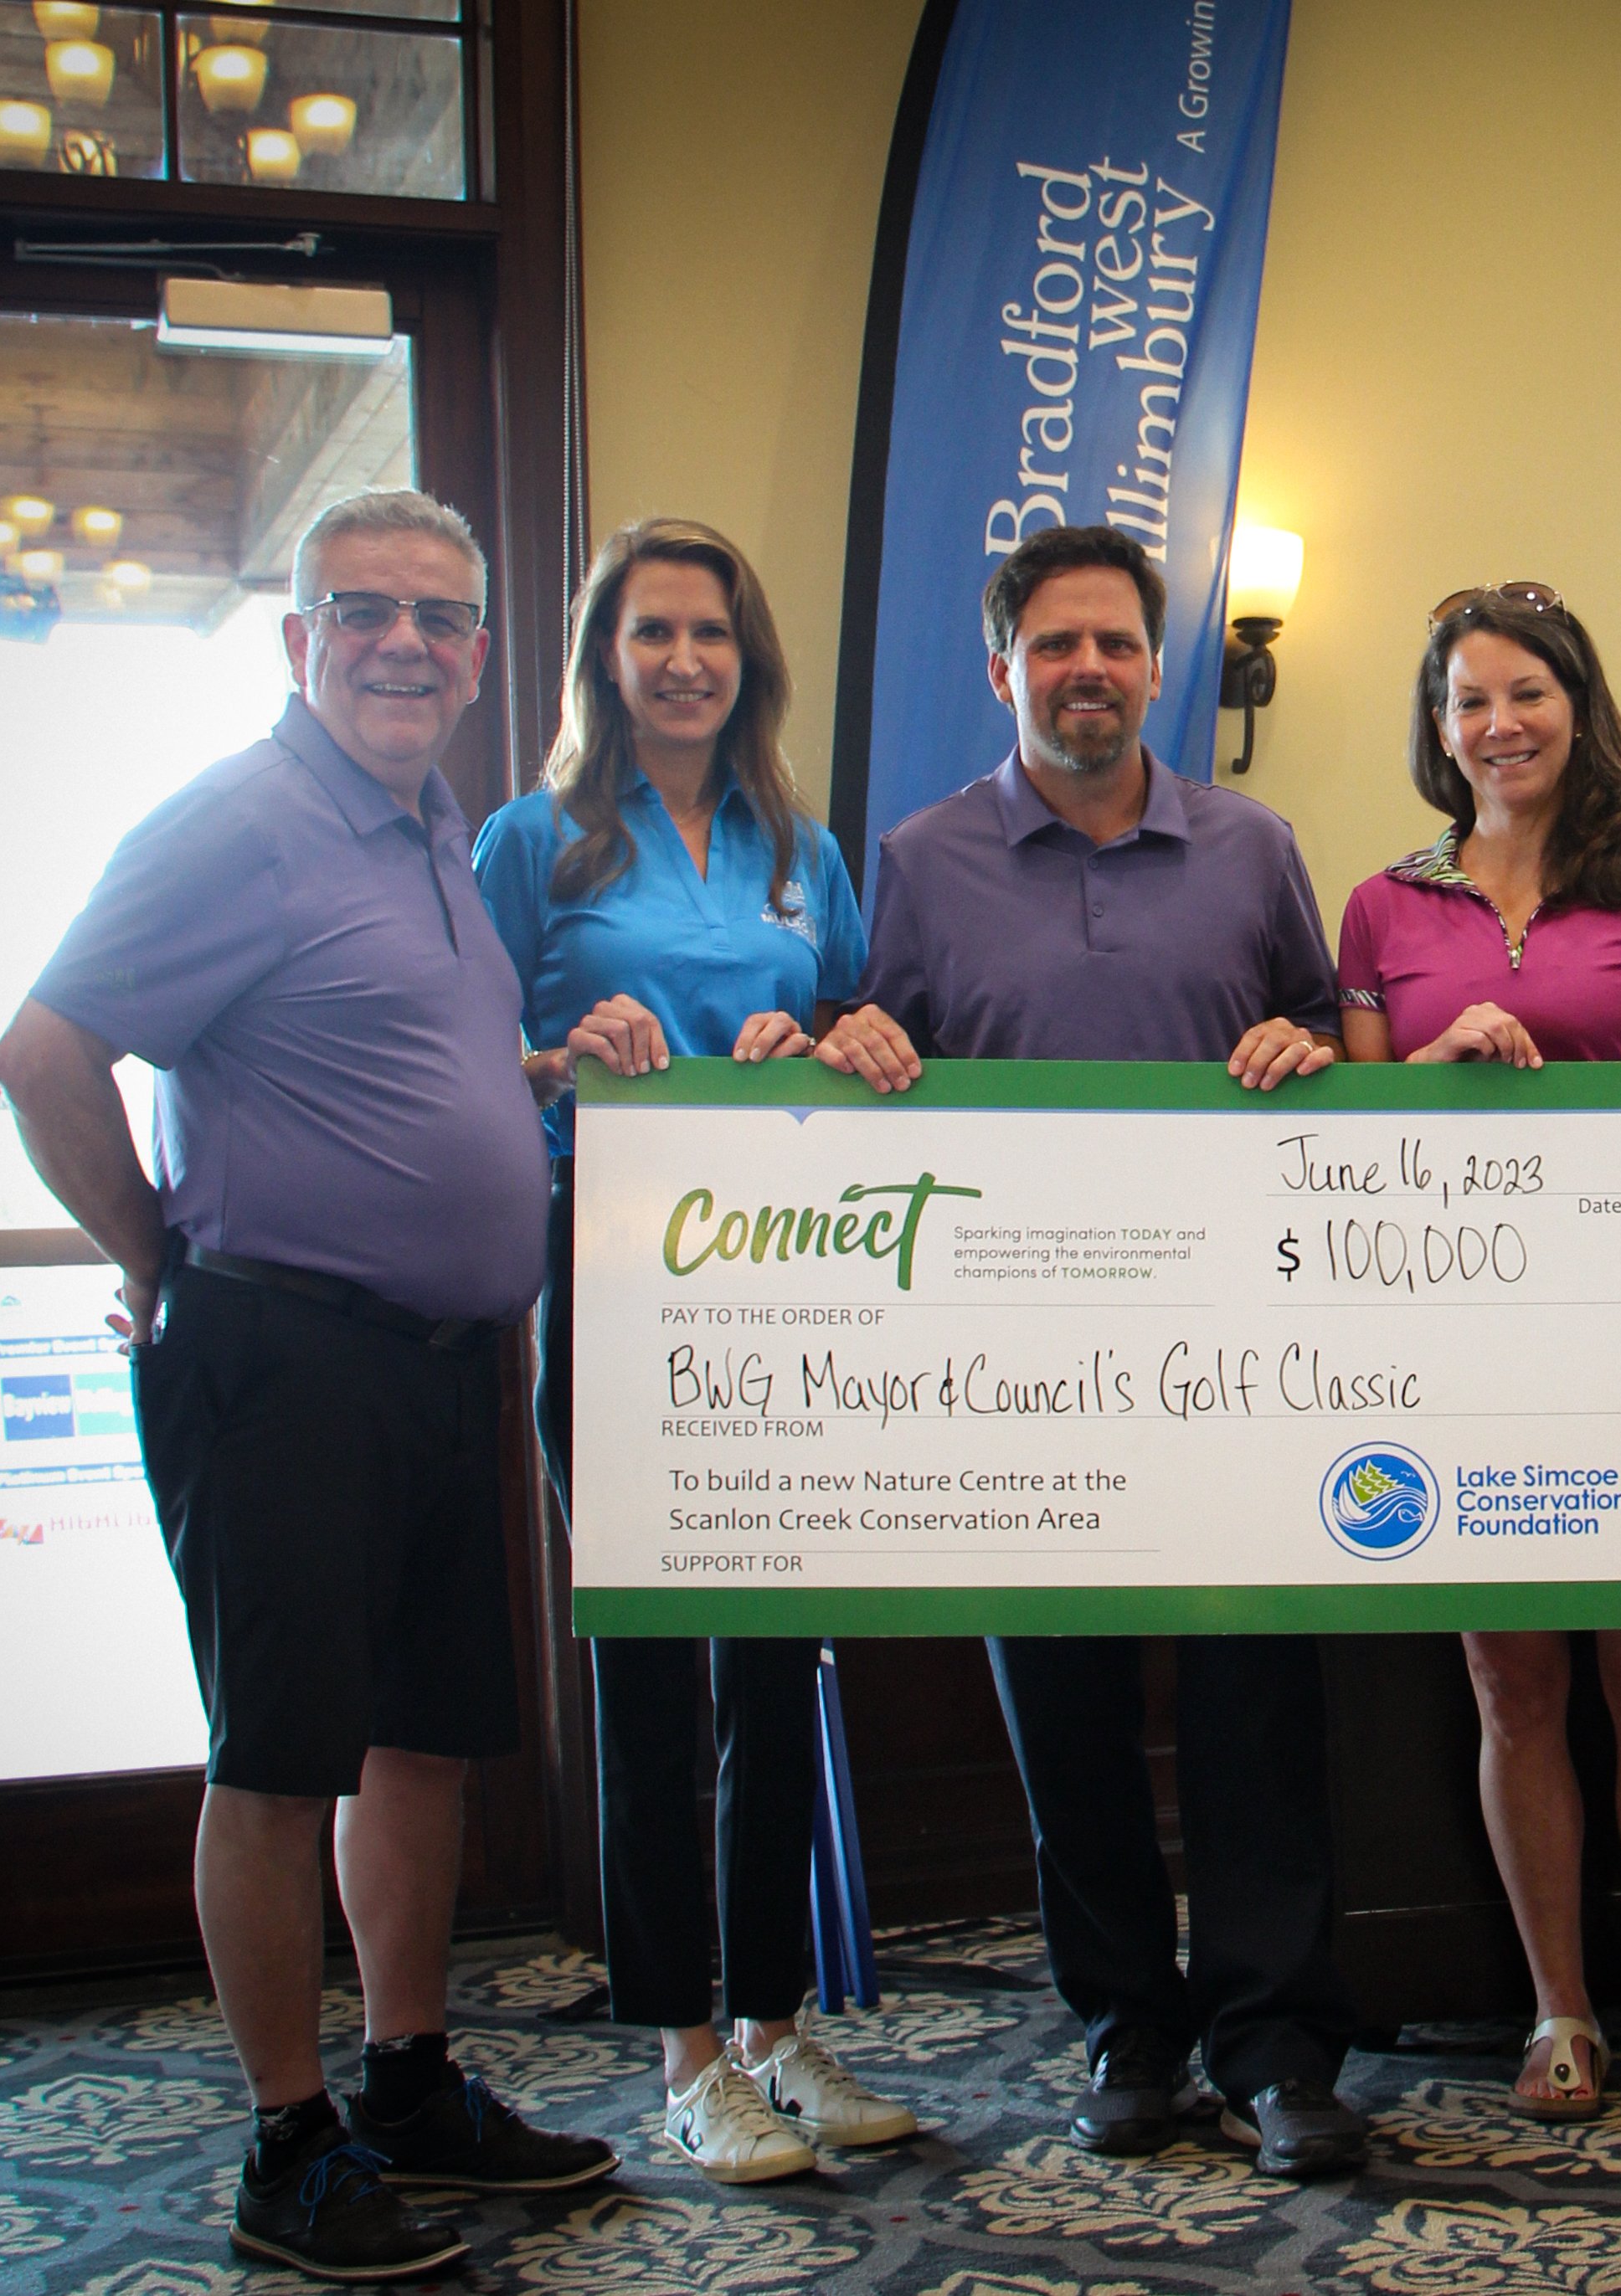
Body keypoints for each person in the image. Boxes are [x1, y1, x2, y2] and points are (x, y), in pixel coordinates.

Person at [0, 490, 615, 2284]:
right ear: (298, 638)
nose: (405, 641)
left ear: (484, 652)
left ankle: (407, 2075)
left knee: (417, 1742)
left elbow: (375, 1047)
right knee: (277, 1762)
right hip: (281, 1361)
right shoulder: (239, 820)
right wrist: (152, 1259)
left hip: (436, 1370)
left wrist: (531, 1065)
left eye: (440, 614)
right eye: (364, 610)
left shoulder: (427, 828)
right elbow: (46, 1047)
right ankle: (288, 2141)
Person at [816, 524, 1364, 2178]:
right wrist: (859, 1041)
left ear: (1155, 664)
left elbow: (1334, 1039)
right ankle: (1131, 2025)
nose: (1090, 671)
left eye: (1117, 644)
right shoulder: (917, 860)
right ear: (1005, 672)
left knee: (1257, 1710)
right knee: (1062, 1712)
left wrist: (1307, 1044)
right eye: (1056, 647)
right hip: (1015, 1371)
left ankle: (1277, 2046)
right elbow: (872, 1053)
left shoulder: (1256, 846)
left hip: (1231, 1358)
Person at [473, 518, 916, 2182]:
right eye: (652, 632)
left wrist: (855, 1035)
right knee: (654, 1672)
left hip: (787, 1285)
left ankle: (777, 2031)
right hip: (618, 1283)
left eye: (711, 634)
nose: (684, 660)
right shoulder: (533, 841)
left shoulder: (803, 843)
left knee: (779, 1666)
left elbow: (882, 1031)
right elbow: (462, 1060)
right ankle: (679, 2047)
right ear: (604, 657)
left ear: (749, 658)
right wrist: (555, 1051)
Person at [1335, 584, 1621, 2124]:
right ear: (1436, 729)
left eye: (1525, 694)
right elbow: (1360, 1134)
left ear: (1578, 700)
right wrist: (1436, 1058)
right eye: (1467, 703)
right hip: (1459, 1345)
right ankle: (1559, 2007)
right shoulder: (1385, 904)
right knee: (1513, 1688)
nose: (1498, 725)